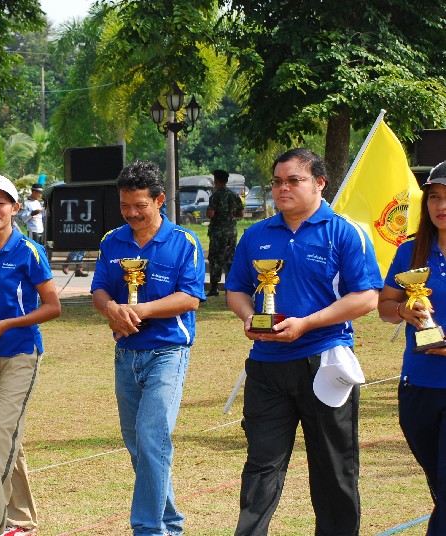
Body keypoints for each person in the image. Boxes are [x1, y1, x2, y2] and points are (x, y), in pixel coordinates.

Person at [224, 148, 382, 536]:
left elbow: (366, 297)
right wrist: (248, 317)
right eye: (277, 182)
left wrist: (308, 324)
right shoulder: (256, 235)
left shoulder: (344, 231)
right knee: (261, 466)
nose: (283, 188)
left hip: (324, 362)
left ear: (319, 183)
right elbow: (236, 289)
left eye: (294, 180)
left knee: (333, 468)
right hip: (266, 367)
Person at [90, 160, 206, 536]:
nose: (132, 213)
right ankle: (170, 524)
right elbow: (99, 289)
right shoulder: (112, 241)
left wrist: (140, 311)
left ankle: (147, 529)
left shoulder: (184, 241)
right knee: (140, 446)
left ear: (159, 200)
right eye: (125, 206)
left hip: (168, 353)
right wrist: (111, 309)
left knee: (152, 436)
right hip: (125, 354)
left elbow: (190, 298)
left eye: (140, 205)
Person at [0, 174, 61, 536]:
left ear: (15, 208)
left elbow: (53, 307)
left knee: (0, 434)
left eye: (0, 203)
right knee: (1, 440)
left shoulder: (29, 251)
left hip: (20, 353)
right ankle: (23, 520)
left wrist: (7, 324)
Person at [378, 160, 446, 535]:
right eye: (434, 197)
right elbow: (384, 307)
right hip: (418, 387)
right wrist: (404, 310)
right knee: (439, 487)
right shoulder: (410, 251)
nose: (441, 206)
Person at [205, 169, 243, 296]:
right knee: (230, 258)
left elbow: (211, 213)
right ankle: (230, 286)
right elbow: (240, 213)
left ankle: (214, 287)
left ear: (216, 181)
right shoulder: (234, 196)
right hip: (231, 232)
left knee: (215, 258)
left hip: (218, 233)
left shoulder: (215, 196)